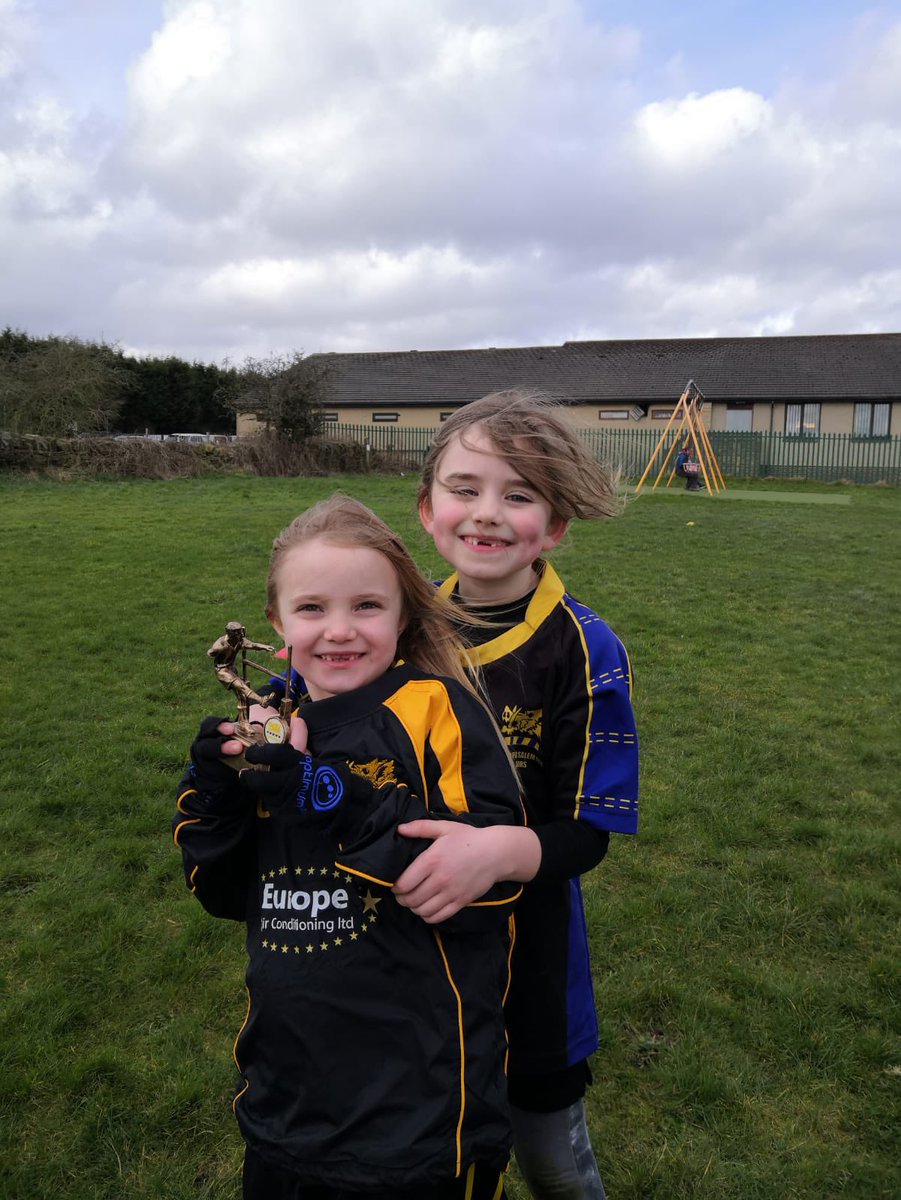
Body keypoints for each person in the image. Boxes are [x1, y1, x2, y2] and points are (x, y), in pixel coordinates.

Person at [173, 495, 524, 1200]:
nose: (338, 631)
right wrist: (218, 793)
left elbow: (485, 893)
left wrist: (328, 793)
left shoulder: (437, 711)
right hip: (285, 1097)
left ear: (402, 616)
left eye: (367, 606)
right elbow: (219, 893)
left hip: (421, 1114)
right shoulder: (269, 723)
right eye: (310, 610)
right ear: (275, 624)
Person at [392, 391, 639, 1200]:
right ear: (428, 511)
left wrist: (502, 852)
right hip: (406, 948)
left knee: (550, 1159)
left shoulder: (584, 646)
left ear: (556, 525)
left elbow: (590, 831)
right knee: (429, 1147)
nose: (487, 513)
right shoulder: (394, 629)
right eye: (465, 489)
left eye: (519, 494)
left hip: (530, 958)